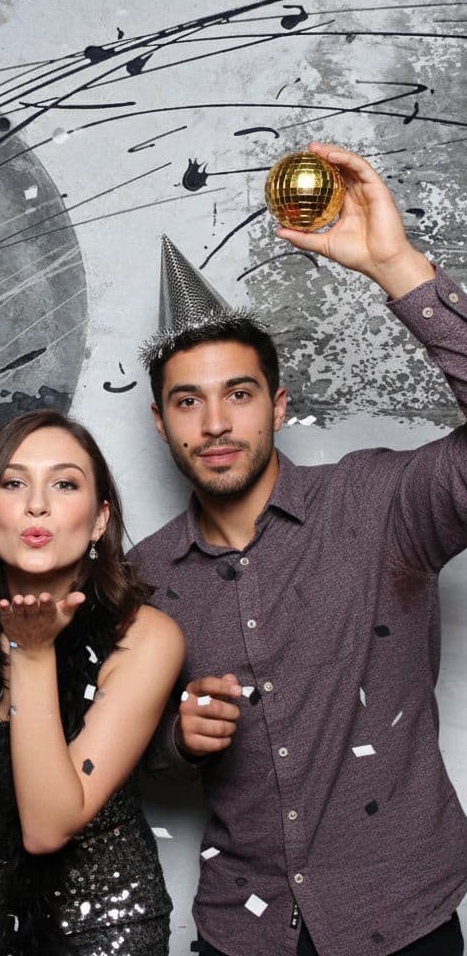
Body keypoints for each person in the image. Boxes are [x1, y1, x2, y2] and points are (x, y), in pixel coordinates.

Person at [132, 143, 467, 956]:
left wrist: (395, 266)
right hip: (241, 931)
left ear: (278, 406)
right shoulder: (140, 577)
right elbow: (132, 757)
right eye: (188, 402)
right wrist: (178, 741)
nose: (216, 423)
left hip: (403, 919)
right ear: (160, 423)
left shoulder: (379, 505)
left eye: (238, 394)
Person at [0, 409, 184, 956]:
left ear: (100, 520)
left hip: (103, 930)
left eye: (64, 484)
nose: (37, 504)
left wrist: (32, 652)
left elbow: (46, 829)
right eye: (13, 484)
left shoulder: (146, 639)